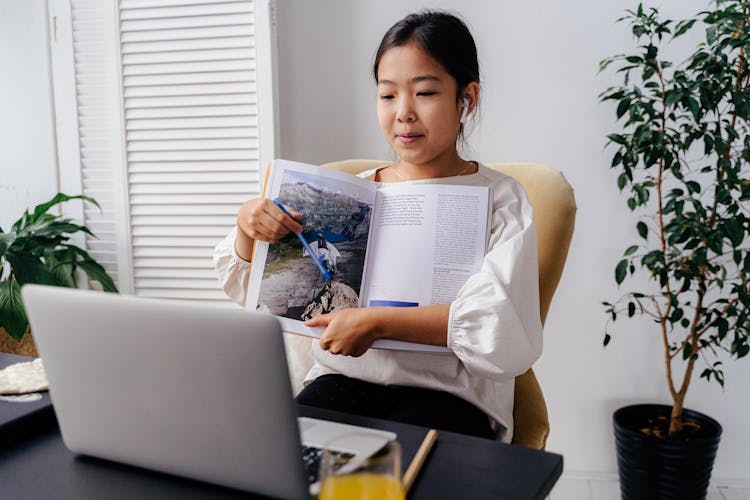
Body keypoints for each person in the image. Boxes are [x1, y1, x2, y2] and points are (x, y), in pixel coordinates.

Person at [213, 10, 542, 442]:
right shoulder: (352, 194)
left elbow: (500, 320)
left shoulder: (501, 198)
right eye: (387, 96)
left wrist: (378, 323)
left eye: (424, 92)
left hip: (449, 394)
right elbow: (253, 294)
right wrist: (248, 229)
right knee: (281, 460)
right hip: (342, 381)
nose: (403, 113)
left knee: (409, 476)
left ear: (467, 98)